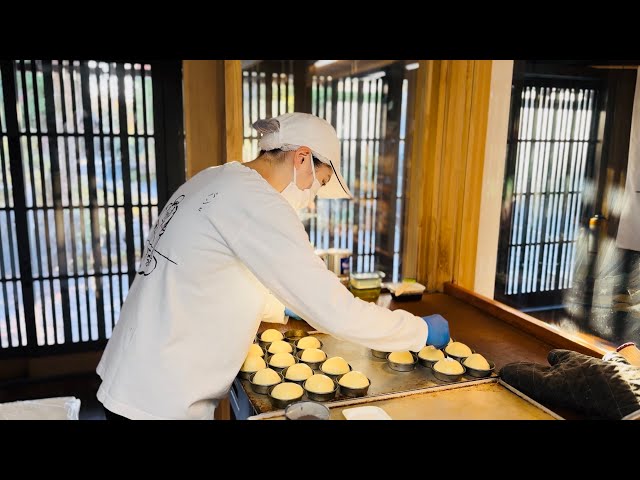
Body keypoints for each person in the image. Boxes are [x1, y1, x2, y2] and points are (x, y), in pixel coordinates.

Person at [96, 112, 450, 420]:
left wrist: (280, 306)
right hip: (159, 400)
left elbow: (210, 276)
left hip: (134, 376)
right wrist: (416, 331)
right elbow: (333, 311)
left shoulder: (216, 179)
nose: (311, 197)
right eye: (319, 182)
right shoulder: (257, 202)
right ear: (302, 158)